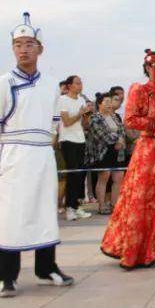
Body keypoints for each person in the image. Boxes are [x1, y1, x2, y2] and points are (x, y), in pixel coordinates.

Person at [0, 13, 73, 298]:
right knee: (10, 214)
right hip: (14, 153)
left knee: (44, 210)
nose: (24, 49)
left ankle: (46, 267)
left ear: (40, 49)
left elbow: (54, 123)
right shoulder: (1, 84)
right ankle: (6, 276)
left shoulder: (51, 84)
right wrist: (7, 153)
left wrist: (43, 146)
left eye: (30, 43)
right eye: (18, 44)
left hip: (42, 154)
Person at [101, 50, 155, 267]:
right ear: (149, 69)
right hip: (147, 151)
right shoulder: (139, 90)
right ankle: (134, 248)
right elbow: (130, 119)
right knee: (140, 199)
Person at [56, 75, 93, 221]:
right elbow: (66, 122)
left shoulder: (82, 100)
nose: (80, 85)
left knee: (80, 174)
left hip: (80, 139)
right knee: (72, 174)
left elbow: (85, 124)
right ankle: (69, 208)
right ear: (70, 85)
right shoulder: (63, 100)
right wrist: (80, 114)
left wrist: (87, 115)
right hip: (68, 140)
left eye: (81, 83)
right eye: (77, 83)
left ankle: (76, 206)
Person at [86, 93, 125, 215]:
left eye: (110, 101)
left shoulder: (114, 116)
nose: (109, 104)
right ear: (99, 104)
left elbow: (122, 130)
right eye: (106, 102)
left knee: (118, 178)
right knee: (104, 178)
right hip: (103, 151)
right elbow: (100, 135)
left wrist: (121, 140)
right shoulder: (94, 117)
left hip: (117, 152)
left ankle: (114, 205)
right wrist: (117, 140)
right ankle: (101, 206)